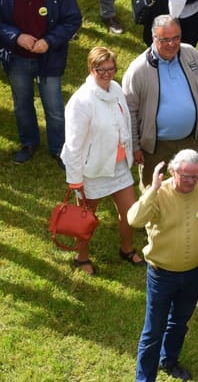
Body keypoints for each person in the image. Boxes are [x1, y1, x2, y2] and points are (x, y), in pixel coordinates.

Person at [127, 149, 198, 382]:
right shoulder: (159, 194)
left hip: (195, 273)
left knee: (180, 321)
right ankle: (144, 379)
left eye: (196, 175)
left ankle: (168, 361)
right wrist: (152, 190)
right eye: (185, 176)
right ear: (172, 171)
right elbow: (134, 220)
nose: (191, 181)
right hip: (162, 275)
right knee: (154, 329)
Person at [62, 45, 141, 273]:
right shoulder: (81, 101)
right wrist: (75, 180)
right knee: (85, 217)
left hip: (118, 166)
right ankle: (82, 257)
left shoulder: (116, 89)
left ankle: (127, 249)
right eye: (101, 69)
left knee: (130, 213)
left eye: (110, 69)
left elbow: (124, 124)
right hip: (92, 170)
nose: (107, 74)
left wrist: (131, 151)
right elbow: (74, 144)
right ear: (91, 68)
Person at [0, 0, 82, 164]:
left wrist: (49, 41)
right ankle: (29, 143)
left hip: (49, 57)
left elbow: (72, 21)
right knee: (22, 104)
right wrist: (16, 37)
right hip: (17, 58)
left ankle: (59, 149)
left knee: (54, 107)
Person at [124, 16, 198, 179]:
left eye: (176, 38)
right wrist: (135, 147)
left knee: (195, 186)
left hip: (190, 141)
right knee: (154, 192)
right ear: (153, 38)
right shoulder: (138, 70)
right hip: (156, 147)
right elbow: (129, 112)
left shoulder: (191, 54)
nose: (172, 44)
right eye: (165, 40)